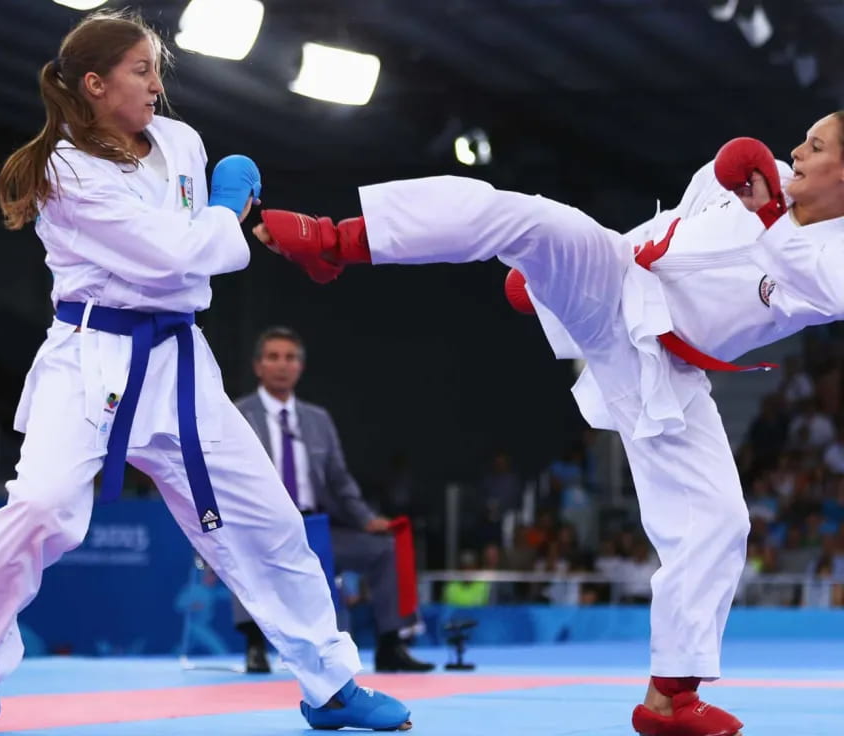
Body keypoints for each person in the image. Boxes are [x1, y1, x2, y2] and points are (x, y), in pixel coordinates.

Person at [253, 113, 844, 736]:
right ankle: (336, 241)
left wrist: (771, 213)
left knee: (720, 521)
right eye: (804, 138)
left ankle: (669, 697)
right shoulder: (757, 176)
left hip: (662, 372)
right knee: (529, 220)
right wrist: (554, 282)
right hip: (615, 281)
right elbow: (668, 230)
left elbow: (825, 290)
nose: (796, 149)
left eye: (818, 144)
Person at [0, 11, 410, 733]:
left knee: (271, 520)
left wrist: (225, 226)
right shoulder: (65, 170)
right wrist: (226, 211)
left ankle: (331, 684)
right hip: (90, 355)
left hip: (179, 360)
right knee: (41, 507)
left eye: (158, 68)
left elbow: (197, 266)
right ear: (95, 85)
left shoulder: (183, 142)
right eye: (142, 71)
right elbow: (174, 257)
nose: (159, 84)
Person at [232, 326, 433, 673]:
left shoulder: (317, 420)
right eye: (273, 357)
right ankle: (254, 647)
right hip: (264, 529)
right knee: (241, 548)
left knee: (384, 548)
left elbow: (340, 481)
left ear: (300, 367)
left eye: (290, 358)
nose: (282, 365)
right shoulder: (238, 415)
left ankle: (390, 645)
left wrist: (366, 518)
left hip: (317, 529)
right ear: (258, 366)